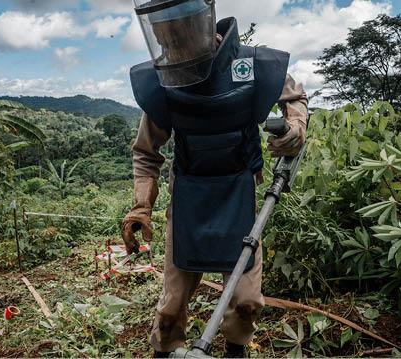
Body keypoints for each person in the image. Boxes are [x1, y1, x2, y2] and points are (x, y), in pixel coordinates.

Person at [122, 0, 308, 357]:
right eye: (164, 35)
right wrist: (141, 207)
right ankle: (165, 350)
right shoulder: (164, 80)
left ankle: (235, 350)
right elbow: (146, 153)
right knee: (171, 307)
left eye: (177, 32)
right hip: (189, 195)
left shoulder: (252, 64)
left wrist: (295, 128)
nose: (171, 41)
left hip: (239, 191)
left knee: (247, 300)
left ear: (199, 23)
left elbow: (295, 97)